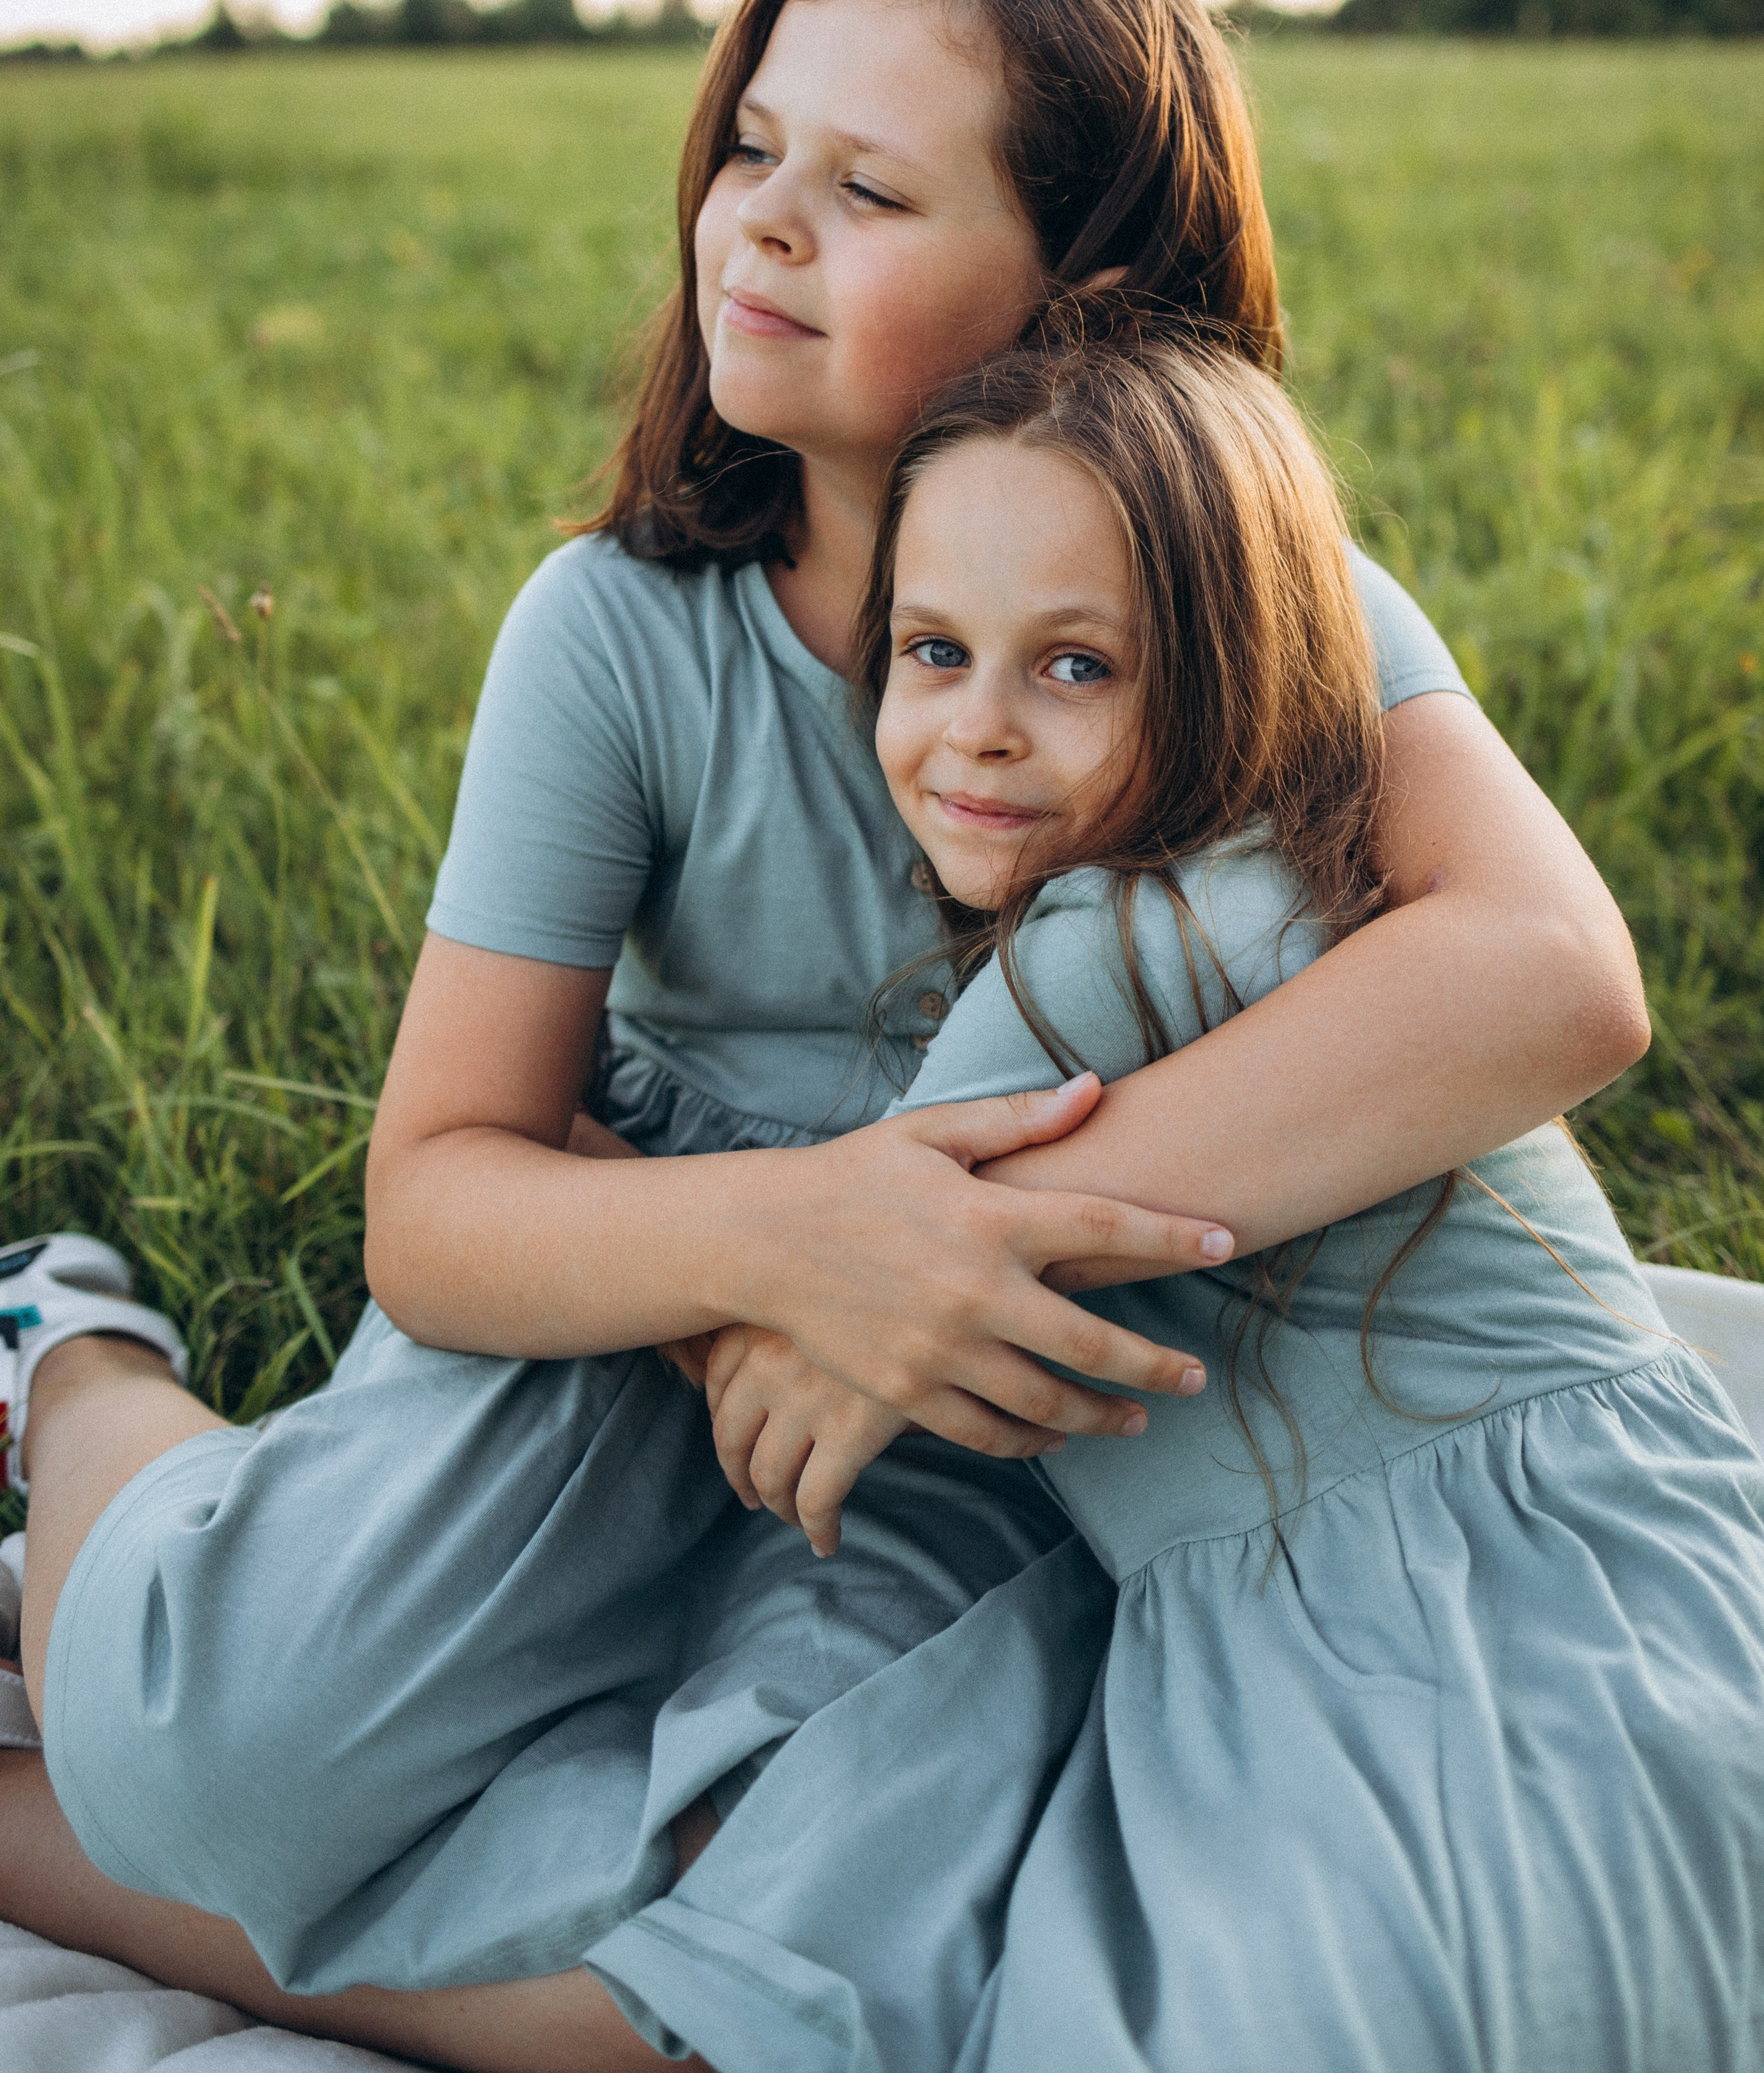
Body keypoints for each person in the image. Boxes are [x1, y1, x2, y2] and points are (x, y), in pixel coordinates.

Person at [0, 0, 1648, 2073]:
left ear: (1088, 292)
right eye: (751, 149)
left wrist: (943, 1269)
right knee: (223, 1742)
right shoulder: (620, 633)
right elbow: (444, 1190)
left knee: (763, 1978)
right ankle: (73, 1366)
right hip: (649, 1290)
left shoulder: (1261, 584)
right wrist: (815, 1249)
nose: (756, 225)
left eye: (864, 188)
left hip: (982, 1406)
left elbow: (1552, 970)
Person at [581, 336, 1764, 2072]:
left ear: (1222, 679)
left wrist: (591, 1172)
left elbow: (787, 1381)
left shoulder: (1072, 981)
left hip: (1362, 1666)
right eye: (929, 653)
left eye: (1074, 666)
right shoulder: (1329, 896)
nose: (977, 725)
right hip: (1658, 1582)